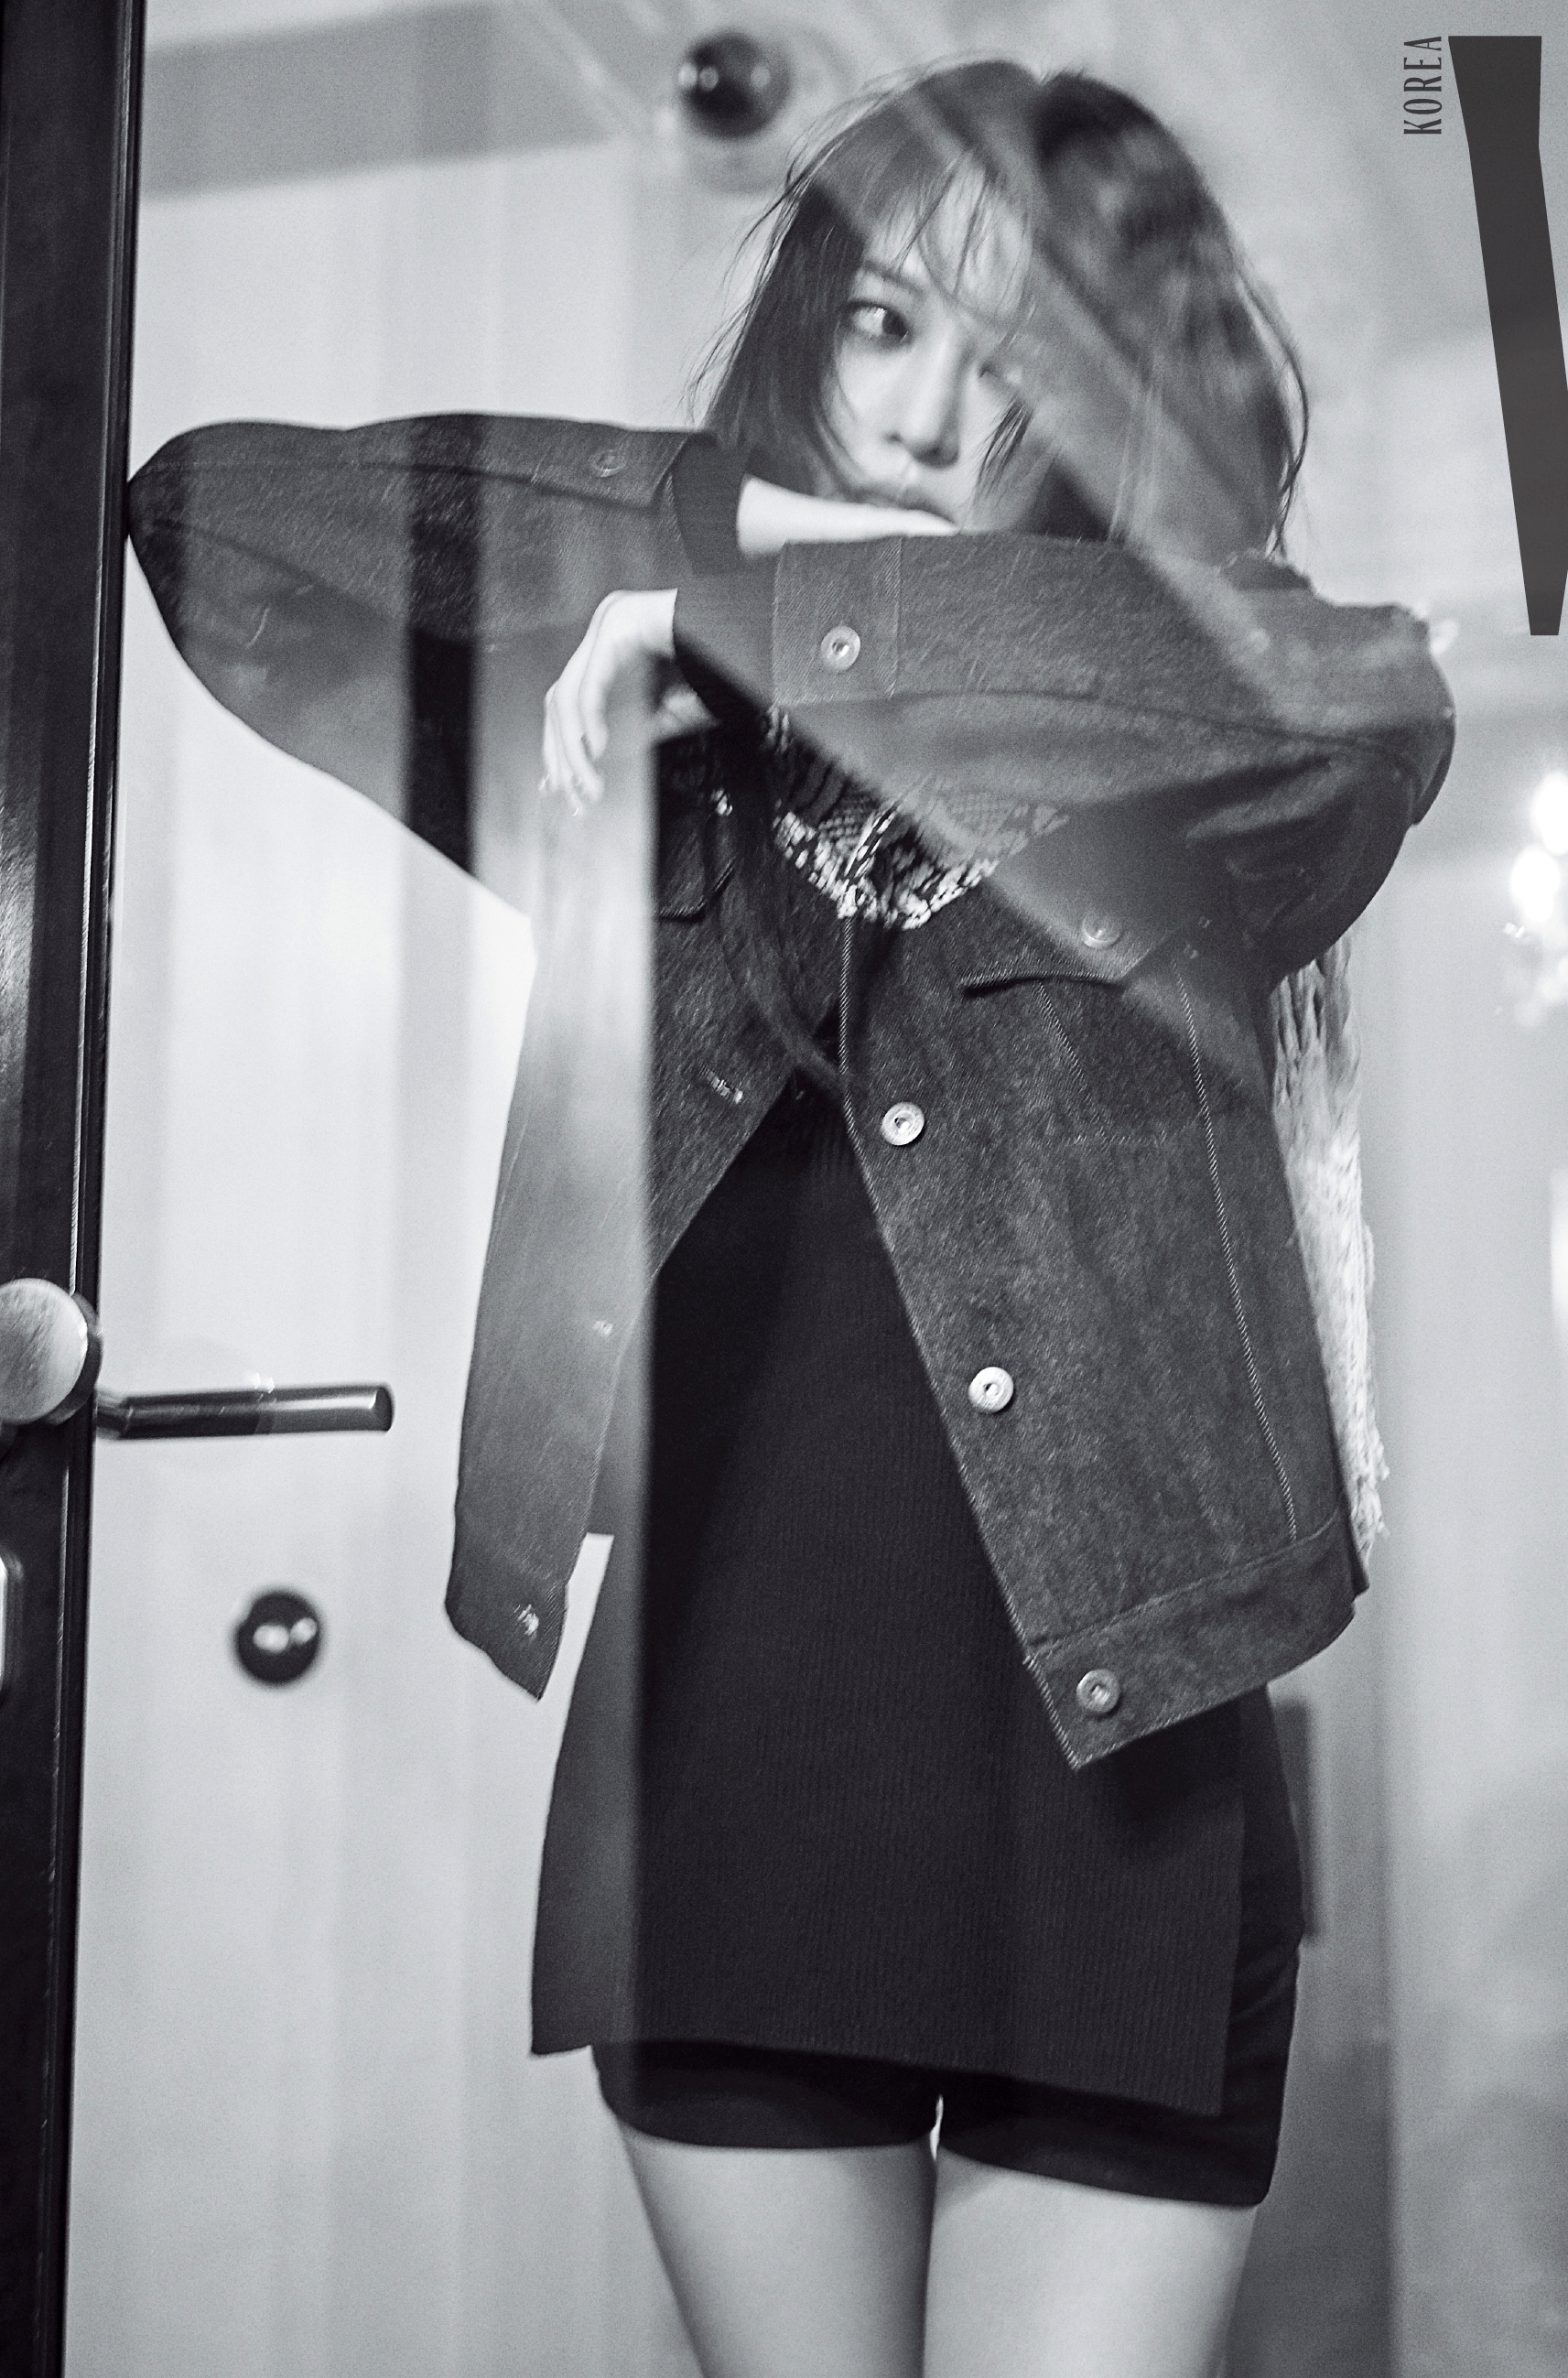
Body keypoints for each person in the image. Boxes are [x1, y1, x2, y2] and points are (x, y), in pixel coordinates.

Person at [127, 59, 1453, 2378]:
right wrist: (711, 559)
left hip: (1122, 1776)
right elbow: (210, 521)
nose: (937, 416)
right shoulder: (635, 738)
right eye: (883, 327)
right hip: (728, 1744)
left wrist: (800, 617)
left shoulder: (1203, 714)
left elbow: (1373, 709)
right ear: (807, 328)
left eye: (1022, 356)